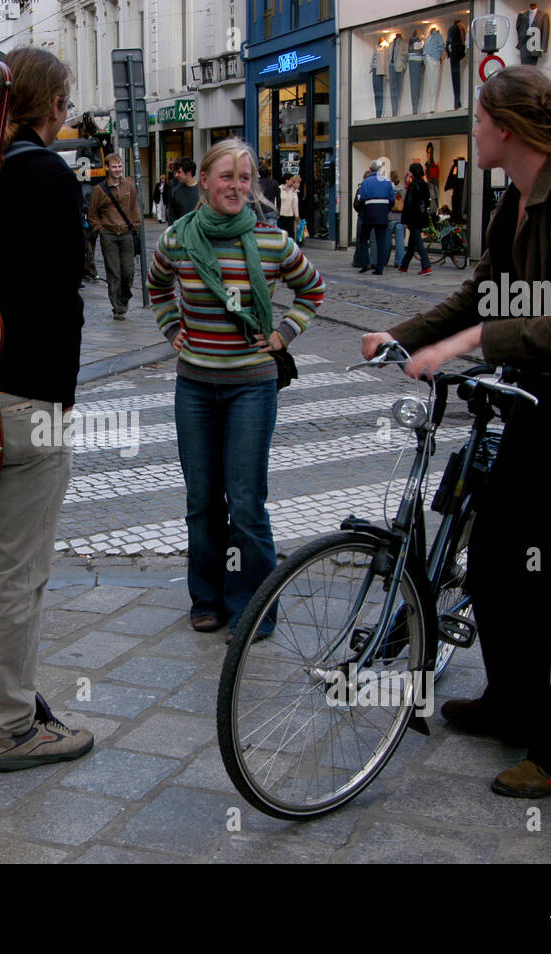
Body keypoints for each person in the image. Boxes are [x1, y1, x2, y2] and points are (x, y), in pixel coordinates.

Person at [361, 64, 551, 799]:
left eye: (478, 121)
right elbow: (478, 290)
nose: (472, 132)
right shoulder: (514, 203)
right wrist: (402, 330)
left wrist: (467, 342)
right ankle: (515, 699)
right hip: (533, 405)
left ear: (506, 128)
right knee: (494, 557)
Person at [0, 46, 93, 772]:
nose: (66, 114)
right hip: (29, 397)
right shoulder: (45, 176)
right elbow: (61, 294)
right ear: (49, 104)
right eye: (62, 102)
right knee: (16, 574)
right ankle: (14, 727)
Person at [148, 138, 325, 640]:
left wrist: (284, 331)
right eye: (226, 176)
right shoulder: (178, 240)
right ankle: (206, 598)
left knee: (246, 502)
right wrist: (170, 328)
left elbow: (313, 289)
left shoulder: (272, 241)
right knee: (203, 500)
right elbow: (157, 286)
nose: (236, 186)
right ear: (203, 181)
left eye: (244, 178)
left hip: (252, 385)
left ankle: (252, 606)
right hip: (196, 387)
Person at [87, 152, 142, 320]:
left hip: (126, 233)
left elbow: (135, 208)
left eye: (119, 166)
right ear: (107, 168)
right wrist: (100, 230)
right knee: (114, 272)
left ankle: (124, 298)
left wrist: (136, 224)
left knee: (128, 272)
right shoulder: (99, 190)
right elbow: (92, 214)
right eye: (114, 166)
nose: (118, 170)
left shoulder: (129, 187)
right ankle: (118, 308)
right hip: (109, 234)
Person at [355, 160, 395, 274]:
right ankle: (380, 268)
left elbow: (361, 199)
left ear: (370, 169)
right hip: (382, 214)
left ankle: (365, 264)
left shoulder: (366, 182)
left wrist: (362, 212)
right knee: (381, 242)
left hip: (368, 214)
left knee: (362, 239)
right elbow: (392, 200)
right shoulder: (387, 182)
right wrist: (386, 210)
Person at [398, 162, 433, 274]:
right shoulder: (425, 185)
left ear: (412, 173)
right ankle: (404, 265)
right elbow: (427, 202)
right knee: (412, 243)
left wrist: (405, 220)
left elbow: (408, 204)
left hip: (413, 217)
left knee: (418, 242)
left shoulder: (413, 185)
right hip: (421, 216)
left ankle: (426, 265)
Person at [166, 157, 200, 223]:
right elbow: (172, 217)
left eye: (179, 172)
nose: (176, 175)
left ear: (188, 172)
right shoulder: (175, 192)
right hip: (182, 232)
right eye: (175, 172)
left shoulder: (204, 191)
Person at [385, 168, 406, 269]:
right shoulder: (403, 190)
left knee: (387, 241)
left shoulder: (388, 189)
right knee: (400, 242)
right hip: (400, 218)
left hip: (389, 218)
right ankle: (399, 261)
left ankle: (384, 260)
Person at [278, 174, 301, 242]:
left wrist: (296, 215)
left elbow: (294, 204)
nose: (292, 182)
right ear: (287, 180)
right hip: (281, 215)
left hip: (290, 215)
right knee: (282, 234)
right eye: (291, 180)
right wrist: (276, 212)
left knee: (291, 235)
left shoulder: (292, 191)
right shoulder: (280, 189)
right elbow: (276, 201)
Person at [257, 162, 281, 227]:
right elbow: (278, 199)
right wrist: (278, 211)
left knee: (260, 231)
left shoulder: (257, 184)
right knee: (270, 231)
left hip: (260, 210)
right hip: (271, 209)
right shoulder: (275, 183)